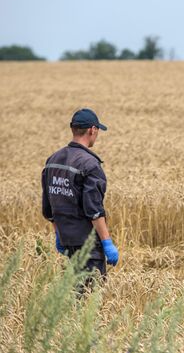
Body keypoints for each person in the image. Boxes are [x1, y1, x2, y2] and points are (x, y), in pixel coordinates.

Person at [41, 108, 119, 278]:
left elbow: (48, 208)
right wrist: (107, 242)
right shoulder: (90, 164)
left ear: (73, 129)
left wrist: (59, 235)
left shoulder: (53, 160)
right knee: (90, 296)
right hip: (87, 245)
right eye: (97, 130)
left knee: (73, 292)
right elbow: (94, 210)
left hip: (66, 242)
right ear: (92, 130)